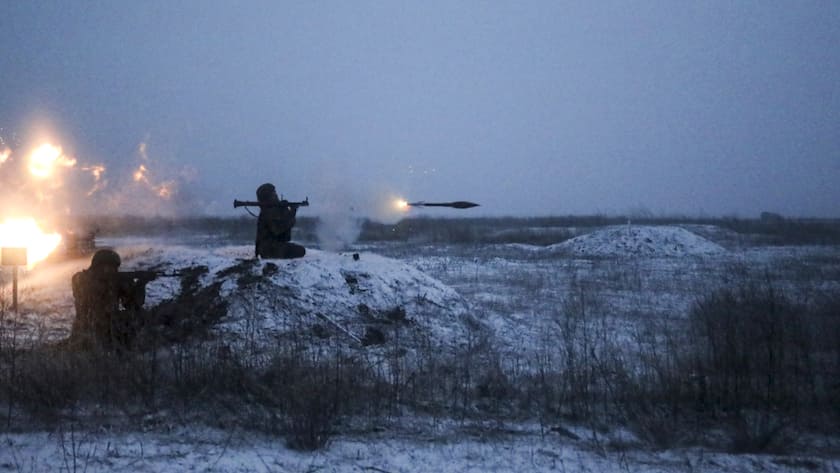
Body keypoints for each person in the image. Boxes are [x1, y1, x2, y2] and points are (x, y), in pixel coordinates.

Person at [69, 249, 147, 350]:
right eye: (110, 267)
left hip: (111, 328)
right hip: (87, 329)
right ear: (97, 266)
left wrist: (140, 284)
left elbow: (133, 304)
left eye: (115, 268)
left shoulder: (115, 281)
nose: (113, 270)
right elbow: (86, 293)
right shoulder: (80, 278)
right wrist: (111, 283)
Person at [254, 182, 306, 259]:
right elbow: (278, 230)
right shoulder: (268, 212)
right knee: (300, 250)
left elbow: (285, 231)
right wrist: (291, 213)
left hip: (270, 247)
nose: (276, 195)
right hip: (269, 249)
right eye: (273, 193)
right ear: (268, 196)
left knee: (299, 250)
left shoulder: (271, 210)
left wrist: (285, 210)